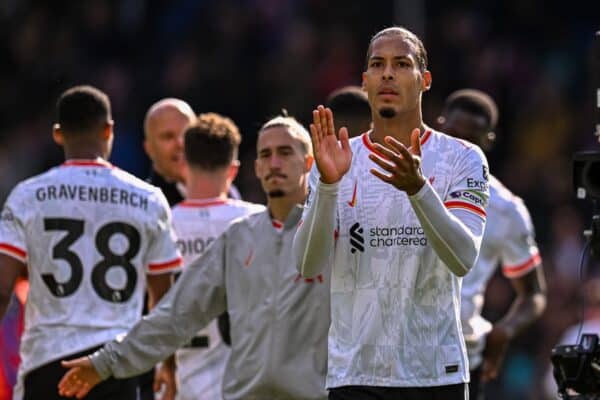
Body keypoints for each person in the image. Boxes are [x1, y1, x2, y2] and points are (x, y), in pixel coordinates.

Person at [58, 116, 330, 400]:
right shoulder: (238, 237)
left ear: (309, 162)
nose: (274, 163)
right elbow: (176, 314)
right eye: (265, 155)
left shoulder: (335, 232)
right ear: (256, 168)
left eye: (285, 153)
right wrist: (106, 361)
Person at [294, 26, 490, 399]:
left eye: (401, 64)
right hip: (355, 373)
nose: (387, 73)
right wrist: (329, 186)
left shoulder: (462, 158)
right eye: (377, 64)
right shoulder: (335, 160)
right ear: (365, 81)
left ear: (425, 80)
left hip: (436, 373)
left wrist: (418, 189)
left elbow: (463, 258)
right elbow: (306, 264)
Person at [0, 85, 182, 400]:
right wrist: (169, 365)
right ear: (109, 130)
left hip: (46, 364)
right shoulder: (149, 200)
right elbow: (163, 302)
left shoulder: (28, 196)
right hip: (115, 365)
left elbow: (1, 289)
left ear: (58, 134)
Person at [437, 89, 547, 399]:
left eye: (470, 140)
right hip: (396, 356)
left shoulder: (505, 209)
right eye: (452, 135)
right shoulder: (406, 182)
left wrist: (504, 331)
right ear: (439, 126)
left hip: (461, 360)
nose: (460, 148)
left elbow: (534, 294)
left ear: (487, 141)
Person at [160, 113, 264, 400]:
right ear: (233, 170)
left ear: (184, 162)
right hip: (245, 385)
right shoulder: (257, 222)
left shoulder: (162, 224)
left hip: (179, 383)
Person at [144, 98, 241, 205]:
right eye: (168, 137)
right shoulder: (145, 204)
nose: (181, 143)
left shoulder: (229, 191)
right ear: (149, 148)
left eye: (187, 133)